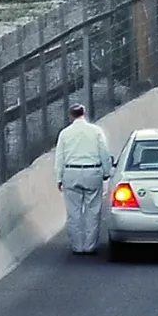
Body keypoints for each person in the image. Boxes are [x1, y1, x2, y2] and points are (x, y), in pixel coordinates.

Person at [53, 103, 115, 254]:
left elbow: (59, 157)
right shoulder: (96, 131)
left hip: (71, 172)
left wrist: (59, 177)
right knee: (93, 210)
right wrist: (107, 172)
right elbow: (104, 153)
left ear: (70, 116)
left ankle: (77, 246)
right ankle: (89, 246)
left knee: (73, 212)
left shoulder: (65, 133)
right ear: (85, 114)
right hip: (92, 171)